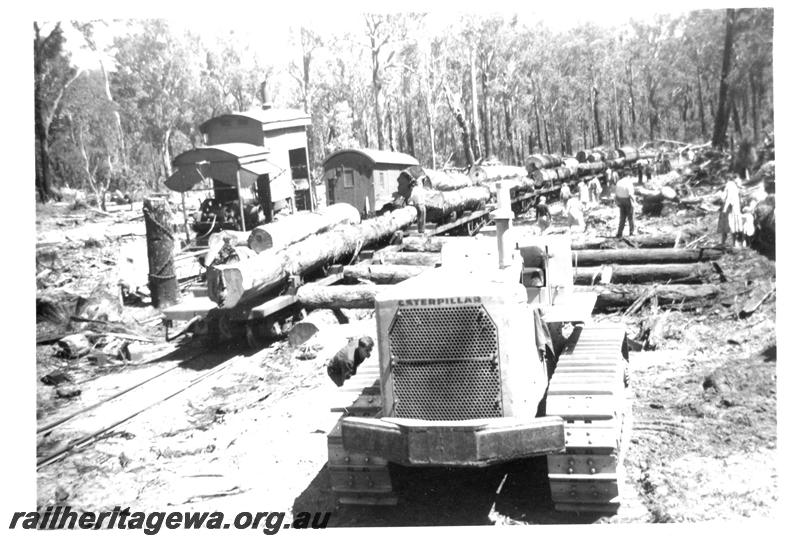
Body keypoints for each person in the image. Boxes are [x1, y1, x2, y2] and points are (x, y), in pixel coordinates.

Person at [718, 177, 744, 247]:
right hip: (735, 208)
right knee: (734, 225)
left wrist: (720, 193)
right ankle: (734, 242)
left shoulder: (729, 185)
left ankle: (723, 242)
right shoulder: (736, 187)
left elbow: (726, 198)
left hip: (729, 209)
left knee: (726, 225)